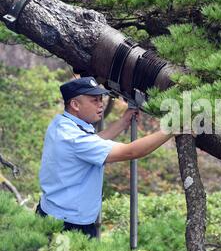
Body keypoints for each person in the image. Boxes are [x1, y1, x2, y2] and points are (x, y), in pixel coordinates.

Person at [36, 76, 174, 238]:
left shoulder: (62, 123)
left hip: (56, 213)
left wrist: (123, 122)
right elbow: (130, 152)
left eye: (101, 99)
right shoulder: (75, 138)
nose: (101, 104)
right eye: (94, 100)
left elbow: (92, 143)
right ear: (75, 105)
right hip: (67, 225)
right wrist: (172, 129)